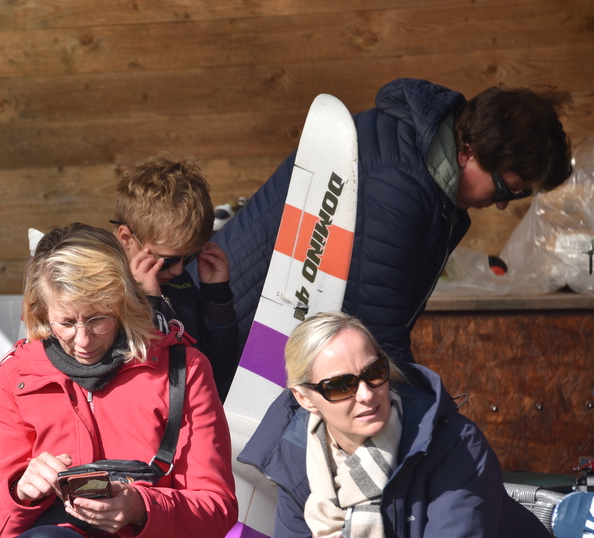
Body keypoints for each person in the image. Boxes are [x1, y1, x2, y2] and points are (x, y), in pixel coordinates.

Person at [242, 311, 593, 538]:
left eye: (374, 372)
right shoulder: (299, 456)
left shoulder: (453, 443)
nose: (366, 394)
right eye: (341, 386)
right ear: (304, 398)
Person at [0, 223, 238, 538]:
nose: (83, 339)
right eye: (66, 322)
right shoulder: (17, 376)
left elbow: (216, 509)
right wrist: (20, 491)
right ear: (42, 313)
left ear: (123, 302)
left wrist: (139, 507)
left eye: (98, 318)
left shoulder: (183, 367)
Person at [214, 79, 572, 366]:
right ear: (468, 152)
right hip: (235, 346)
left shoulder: (422, 168)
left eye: (517, 196)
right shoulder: (397, 184)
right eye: (504, 189)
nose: (501, 205)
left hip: (259, 338)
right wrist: (429, 410)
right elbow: (373, 335)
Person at [112, 152, 240, 400]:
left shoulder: (178, 281)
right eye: (167, 260)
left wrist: (217, 297)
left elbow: (220, 369)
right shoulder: (102, 291)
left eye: (190, 257)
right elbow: (133, 383)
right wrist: (146, 304)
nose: (178, 270)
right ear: (127, 239)